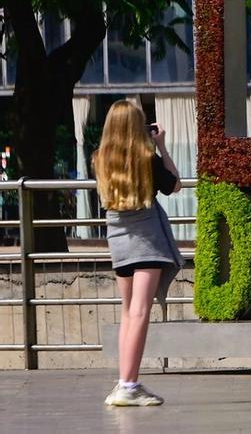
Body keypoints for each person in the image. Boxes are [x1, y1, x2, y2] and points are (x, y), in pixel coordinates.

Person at [94, 101, 183, 406]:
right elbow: (176, 185)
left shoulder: (101, 159)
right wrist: (161, 147)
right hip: (147, 241)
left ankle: (125, 381)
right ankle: (129, 385)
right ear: (137, 128)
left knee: (128, 311)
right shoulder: (148, 159)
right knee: (140, 313)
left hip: (118, 241)